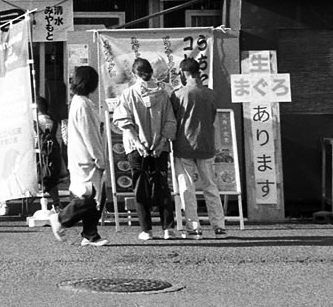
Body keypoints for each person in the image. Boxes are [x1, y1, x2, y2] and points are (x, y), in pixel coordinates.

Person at [113, 57, 176, 241]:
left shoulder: (128, 94)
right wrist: (161, 142)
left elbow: (124, 122)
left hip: (135, 148)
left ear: (134, 74)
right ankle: (168, 229)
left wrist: (139, 144)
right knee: (162, 185)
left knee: (140, 187)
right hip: (160, 147)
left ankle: (146, 230)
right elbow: (170, 121)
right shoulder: (163, 94)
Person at [48, 65, 108, 246]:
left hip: (82, 156)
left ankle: (90, 234)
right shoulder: (82, 104)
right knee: (89, 197)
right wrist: (99, 157)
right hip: (86, 158)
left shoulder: (81, 102)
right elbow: (90, 135)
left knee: (98, 196)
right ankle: (60, 219)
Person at [172, 57, 227, 239]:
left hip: (184, 144)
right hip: (206, 144)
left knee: (187, 188)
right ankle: (219, 227)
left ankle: (194, 227)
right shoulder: (210, 94)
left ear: (183, 73)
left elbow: (174, 121)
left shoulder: (178, 95)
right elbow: (212, 118)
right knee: (210, 186)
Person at [35, 97, 63, 209]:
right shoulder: (54, 122)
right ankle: (56, 203)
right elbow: (60, 139)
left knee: (39, 176)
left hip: (38, 154)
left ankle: (7, 204)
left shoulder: (34, 122)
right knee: (50, 178)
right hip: (53, 155)